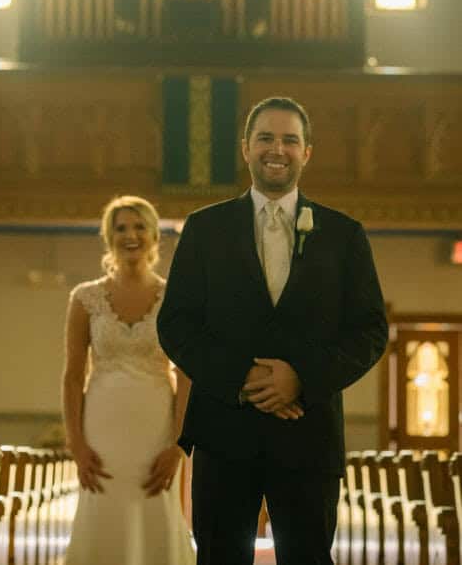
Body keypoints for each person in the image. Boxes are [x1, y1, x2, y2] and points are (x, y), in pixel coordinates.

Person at [157, 96, 388, 565]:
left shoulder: (344, 235)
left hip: (308, 433)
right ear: (245, 148)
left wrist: (301, 378)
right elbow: (177, 323)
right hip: (224, 431)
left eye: (289, 139)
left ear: (307, 152)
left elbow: (369, 330)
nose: (276, 149)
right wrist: (240, 378)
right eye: (265, 138)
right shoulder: (204, 229)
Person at [62, 195, 195, 565]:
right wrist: (76, 443)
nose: (130, 234)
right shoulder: (84, 298)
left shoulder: (176, 297)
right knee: (103, 508)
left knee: (155, 509)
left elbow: (186, 378)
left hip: (157, 425)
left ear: (154, 236)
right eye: (121, 228)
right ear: (109, 237)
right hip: (102, 426)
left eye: (139, 227)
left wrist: (179, 445)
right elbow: (73, 377)